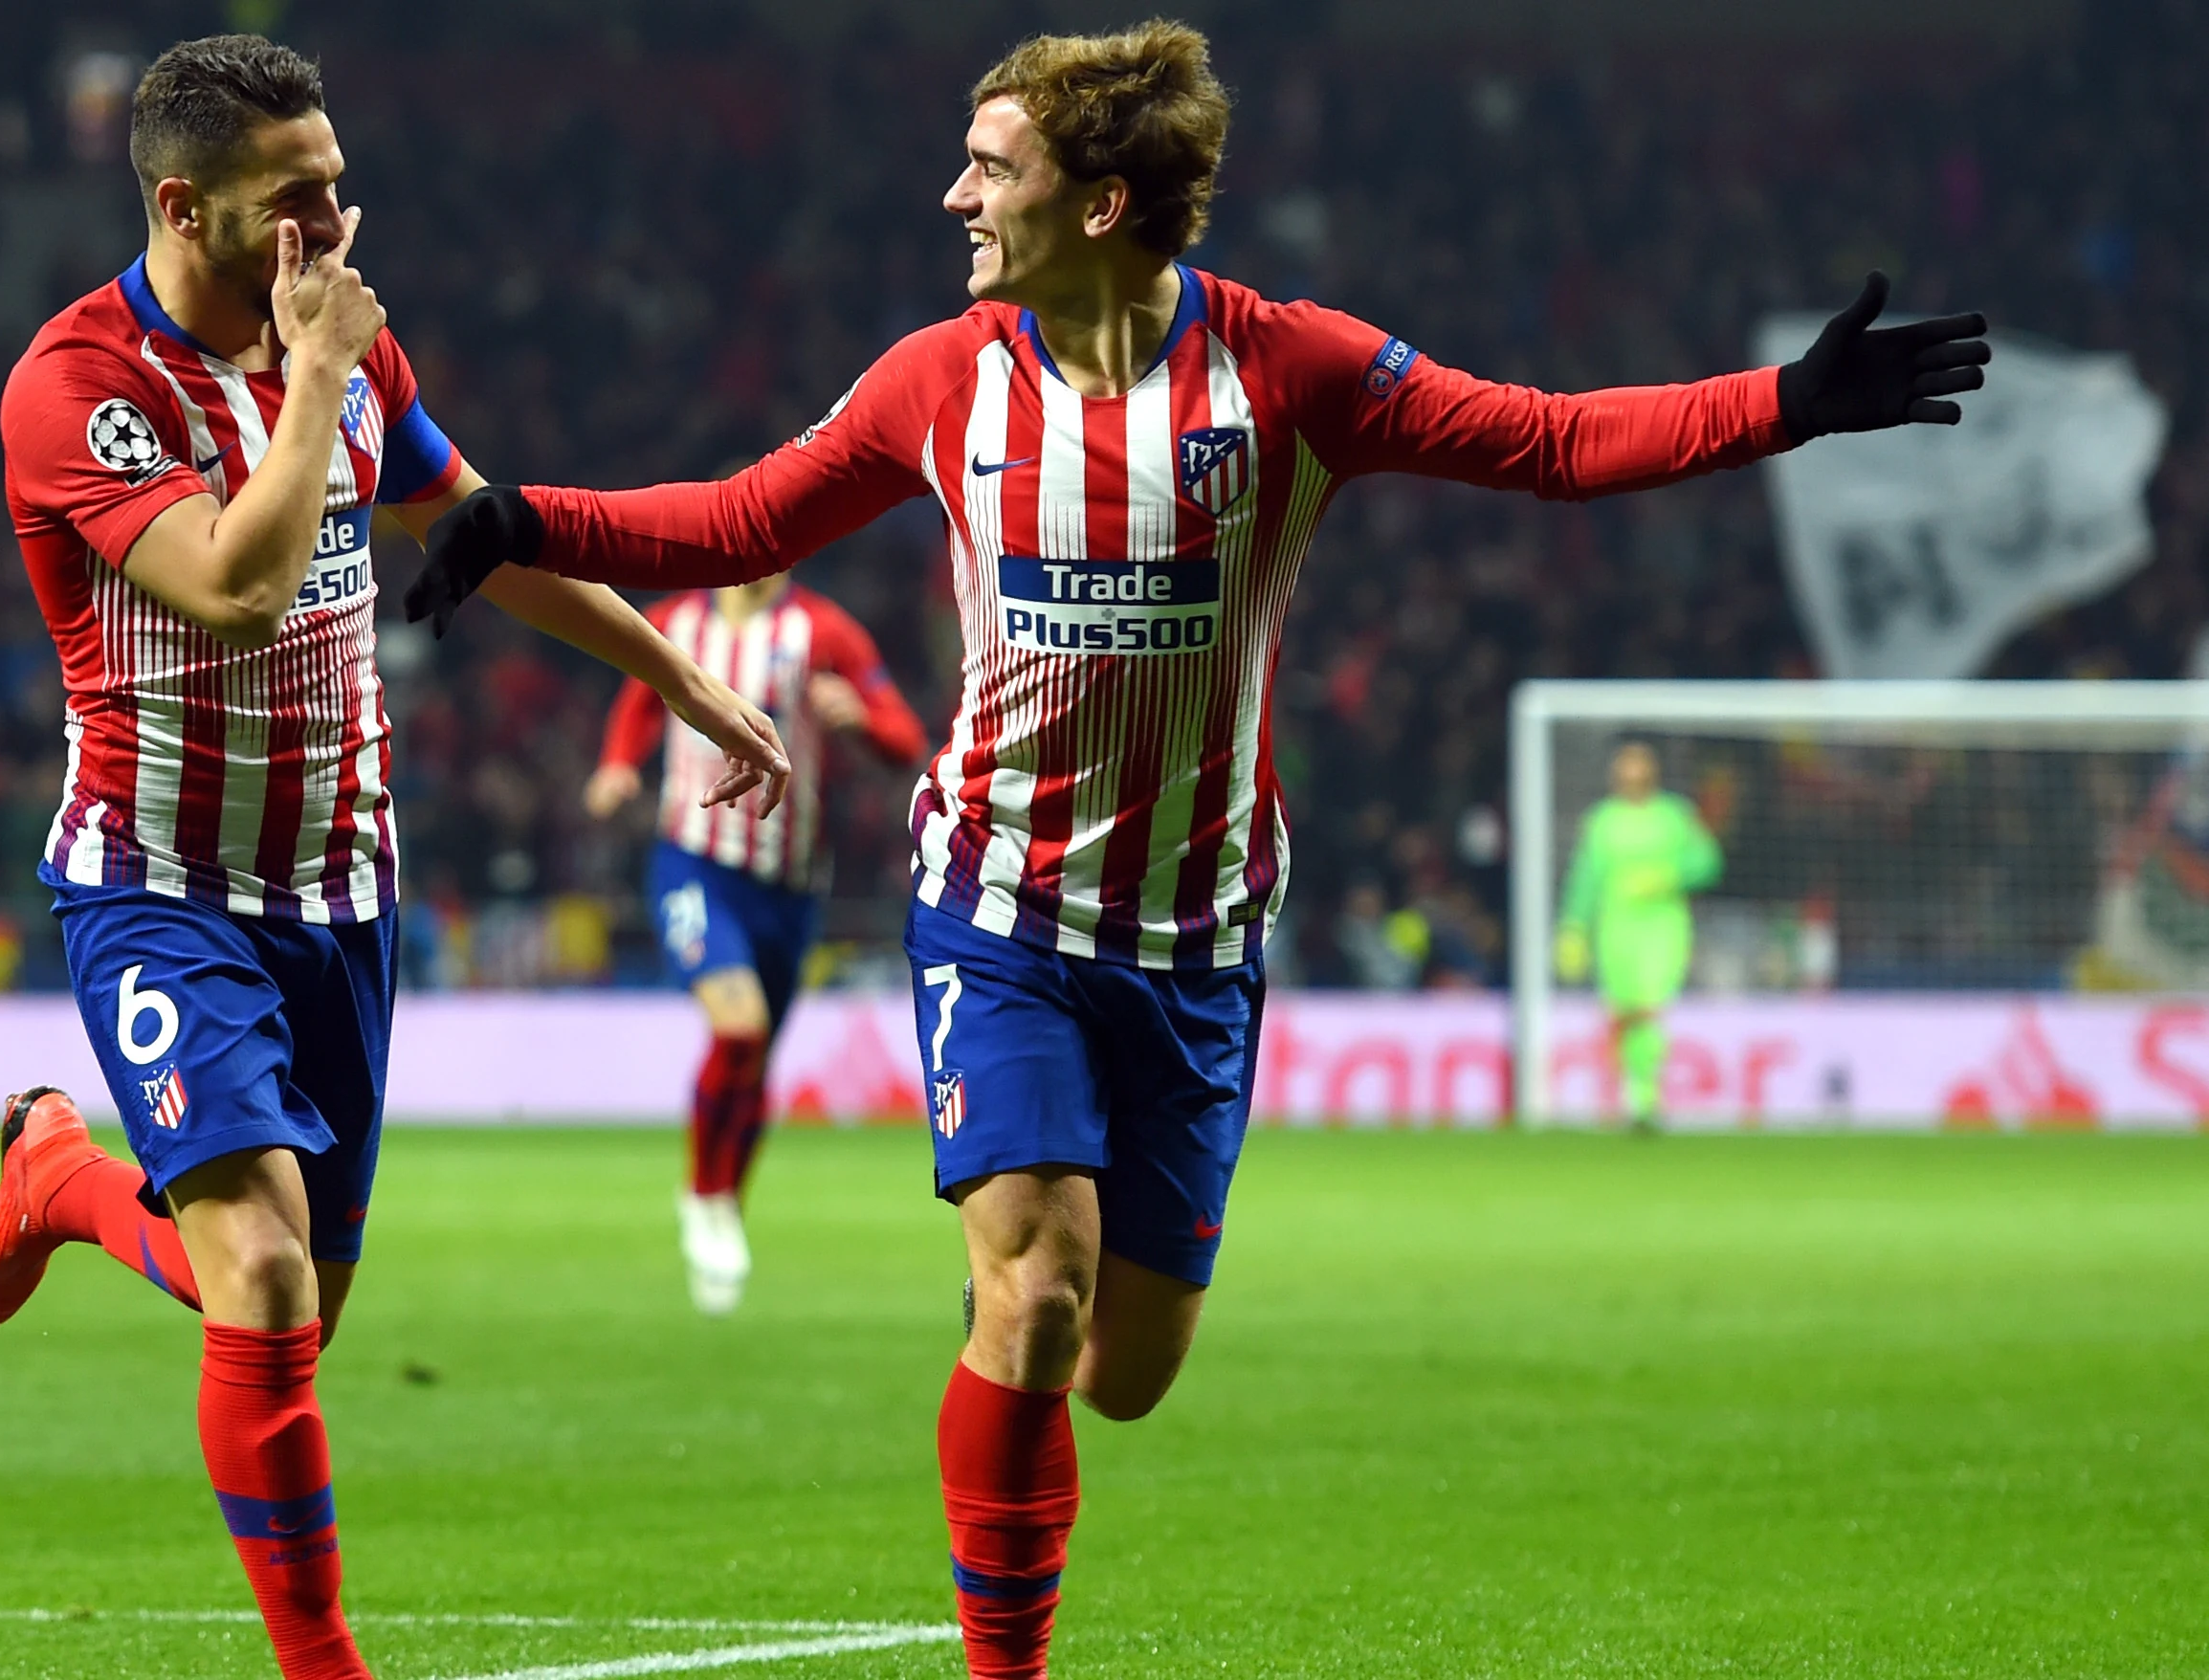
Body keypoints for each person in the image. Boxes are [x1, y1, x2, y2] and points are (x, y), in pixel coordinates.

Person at [402, 23, 1986, 1678]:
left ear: (1098, 203)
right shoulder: (941, 380)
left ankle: (1021, 1315)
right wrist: (524, 517)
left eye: (990, 166)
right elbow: (742, 520)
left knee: (1125, 1367)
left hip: (1198, 939)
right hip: (997, 908)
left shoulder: (1290, 371)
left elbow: (1543, 443)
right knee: (1038, 1297)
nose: (954, 193)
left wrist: (1785, 407)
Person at [0, 36, 788, 1680]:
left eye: (338, 185)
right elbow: (237, 582)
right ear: (186, 208)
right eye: (295, 201)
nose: (335, 225)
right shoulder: (79, 386)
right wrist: (319, 370)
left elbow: (475, 538)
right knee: (255, 1276)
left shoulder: (353, 357)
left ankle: (58, 1177)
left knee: (296, 1311)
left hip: (343, 888)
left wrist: (678, 675)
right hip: (160, 881)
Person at [583, 574, 927, 1313]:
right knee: (736, 1027)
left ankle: (725, 1201)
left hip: (789, 880)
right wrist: (616, 765)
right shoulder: (676, 621)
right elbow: (641, 701)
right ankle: (703, 1197)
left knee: (756, 1053)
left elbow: (903, 739)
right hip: (693, 861)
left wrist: (859, 718)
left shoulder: (824, 632)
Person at [1557, 741, 1722, 1129]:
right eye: (1624, 772)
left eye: (1638, 771)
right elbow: (1586, 877)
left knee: (1650, 1005)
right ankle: (1632, 1090)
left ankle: (1645, 1095)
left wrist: (1669, 876)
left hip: (1663, 927)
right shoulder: (1602, 820)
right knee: (1623, 1011)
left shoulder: (1674, 815)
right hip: (1615, 928)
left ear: (1651, 775)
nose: (1631, 779)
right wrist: (1573, 927)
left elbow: (1708, 862)